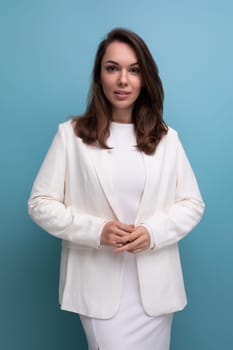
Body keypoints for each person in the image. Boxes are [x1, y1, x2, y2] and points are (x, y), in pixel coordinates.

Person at [28, 28, 205, 350]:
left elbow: (192, 203)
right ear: (100, 76)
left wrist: (153, 231)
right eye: (113, 68)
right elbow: (41, 203)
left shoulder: (167, 138)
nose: (123, 80)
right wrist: (98, 231)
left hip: (155, 291)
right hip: (98, 288)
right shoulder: (71, 136)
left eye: (134, 70)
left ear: (145, 78)